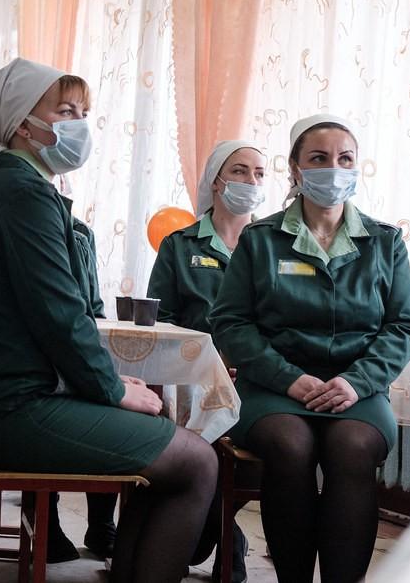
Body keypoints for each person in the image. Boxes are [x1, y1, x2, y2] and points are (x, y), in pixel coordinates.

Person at [0, 58, 217, 583]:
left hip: (11, 398)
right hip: (14, 409)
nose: (80, 125)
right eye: (66, 111)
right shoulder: (23, 195)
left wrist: (113, 384)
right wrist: (111, 390)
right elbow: (60, 317)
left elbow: (56, 316)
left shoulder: (18, 188)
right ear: (23, 124)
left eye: (84, 113)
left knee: (161, 428)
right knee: (197, 462)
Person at [209, 114, 410, 583]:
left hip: (357, 390)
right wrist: (288, 378)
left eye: (345, 159)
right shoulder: (260, 239)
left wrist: (357, 382)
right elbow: (230, 322)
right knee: (291, 446)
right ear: (296, 169)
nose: (334, 169)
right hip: (273, 389)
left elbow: (406, 325)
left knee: (353, 447)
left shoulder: (385, 242)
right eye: (319, 158)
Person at [147, 140, 266, 582]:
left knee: (270, 446)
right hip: (191, 379)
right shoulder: (180, 246)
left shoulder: (273, 246)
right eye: (240, 171)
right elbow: (161, 323)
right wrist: (205, 366)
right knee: (192, 436)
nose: (251, 181)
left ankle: (210, 526)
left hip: (257, 378)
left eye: (259, 173)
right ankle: (222, 532)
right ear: (216, 181)